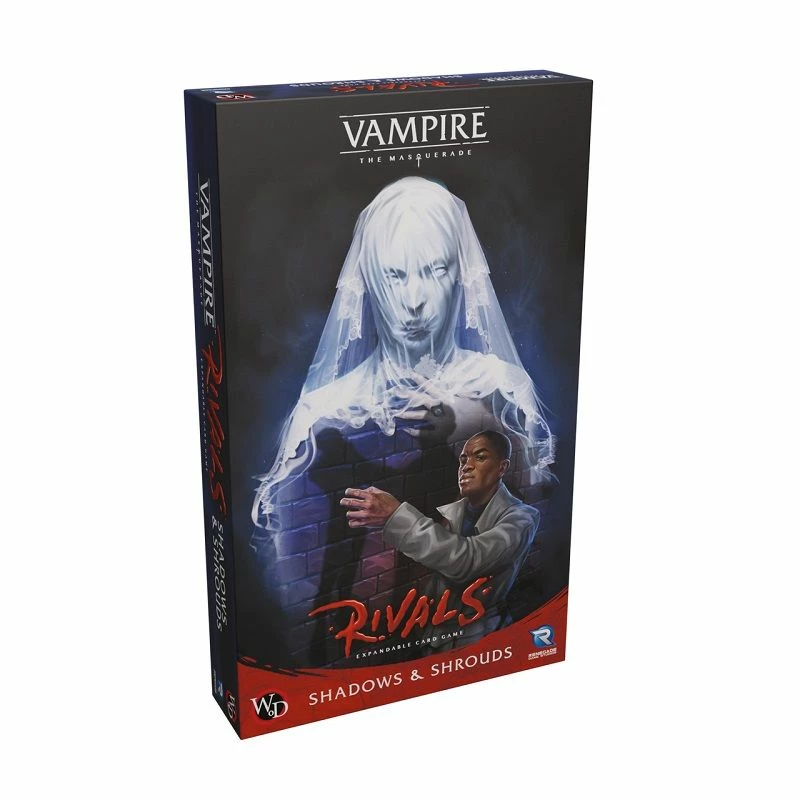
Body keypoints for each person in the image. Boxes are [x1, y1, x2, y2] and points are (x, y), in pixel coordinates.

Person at [252, 177, 553, 535]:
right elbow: (289, 537)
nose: (414, 301)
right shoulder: (325, 410)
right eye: (394, 276)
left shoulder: (505, 388)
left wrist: (476, 420)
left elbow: (534, 511)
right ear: (369, 280)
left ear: (460, 273)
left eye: (435, 271)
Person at [339, 429, 540, 647]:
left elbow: (468, 560)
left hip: (481, 641)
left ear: (502, 467)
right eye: (463, 460)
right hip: (434, 640)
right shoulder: (454, 512)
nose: (466, 466)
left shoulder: (523, 518)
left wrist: (395, 515)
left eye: (480, 457)